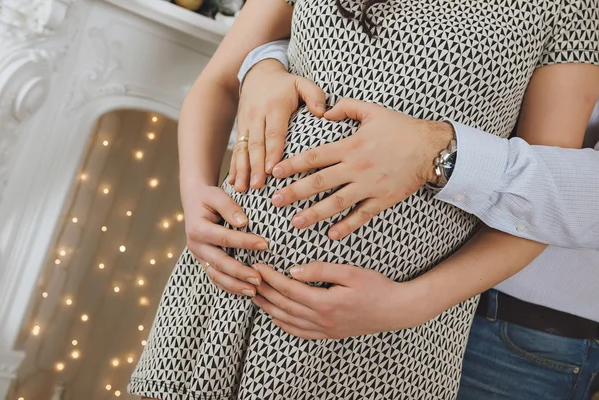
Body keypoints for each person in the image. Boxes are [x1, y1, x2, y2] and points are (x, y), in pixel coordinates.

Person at [127, 0, 599, 399]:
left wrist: (408, 306)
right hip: (221, 287)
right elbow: (219, 82)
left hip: (380, 332)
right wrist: (194, 196)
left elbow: (539, 208)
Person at [231, 42, 599, 399]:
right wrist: (263, 63)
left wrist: (436, 151)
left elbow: (554, 201)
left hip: (525, 324)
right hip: (288, 302)